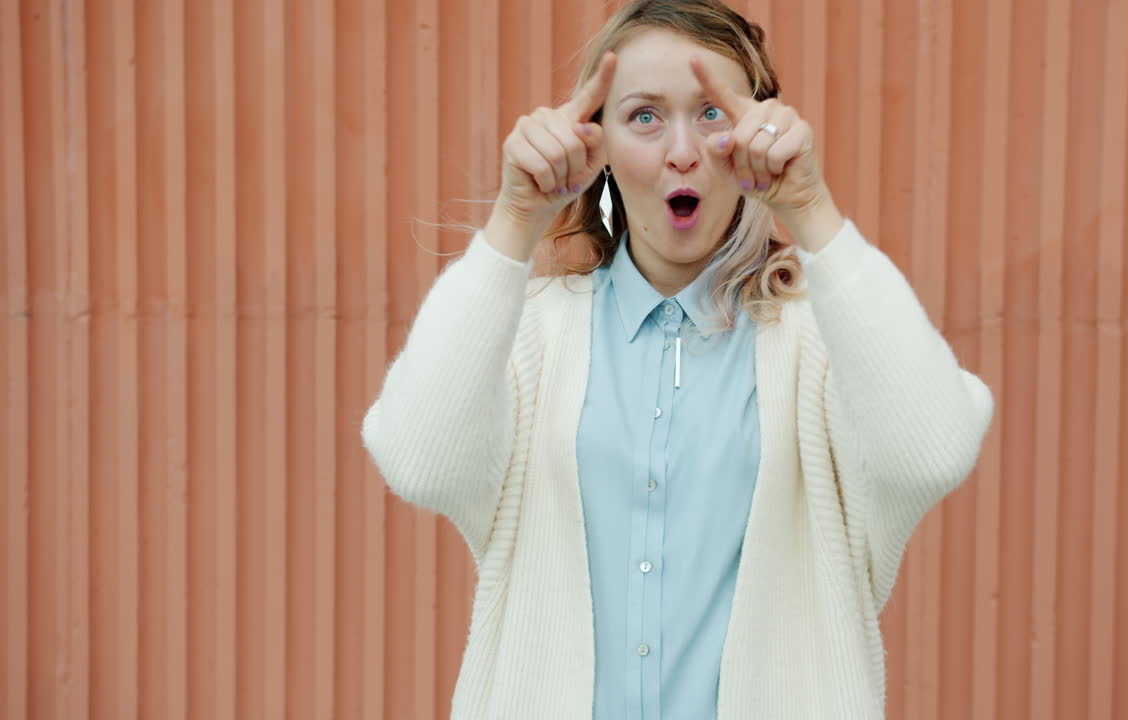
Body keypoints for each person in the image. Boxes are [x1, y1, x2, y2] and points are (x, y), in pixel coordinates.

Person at [361, 0, 994, 717]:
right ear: (597, 148)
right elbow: (417, 459)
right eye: (644, 116)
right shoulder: (534, 334)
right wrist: (514, 220)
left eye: (712, 114)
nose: (683, 151)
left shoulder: (822, 342)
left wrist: (812, 208)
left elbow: (931, 452)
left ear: (758, 135)